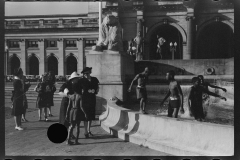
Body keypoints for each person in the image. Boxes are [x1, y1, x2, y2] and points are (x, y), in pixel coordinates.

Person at [65, 72, 88, 145]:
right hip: (78, 111)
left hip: (72, 111)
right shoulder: (80, 96)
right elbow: (81, 107)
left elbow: (68, 106)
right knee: (77, 126)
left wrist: (66, 114)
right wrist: (85, 113)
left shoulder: (71, 96)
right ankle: (76, 141)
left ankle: (68, 140)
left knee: (71, 126)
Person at [81, 67, 100, 138]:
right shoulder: (81, 80)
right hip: (84, 99)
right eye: (84, 74)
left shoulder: (94, 79)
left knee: (91, 115)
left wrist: (96, 91)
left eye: (87, 73)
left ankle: (89, 130)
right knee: (85, 115)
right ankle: (85, 131)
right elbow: (78, 88)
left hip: (92, 99)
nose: (86, 75)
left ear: (90, 73)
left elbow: (97, 87)